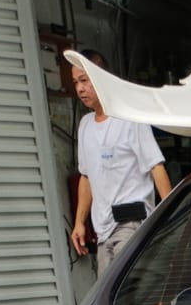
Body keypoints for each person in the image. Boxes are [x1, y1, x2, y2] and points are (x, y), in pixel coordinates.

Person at [69, 50, 172, 276]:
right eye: (76, 82)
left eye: (84, 80)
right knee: (108, 292)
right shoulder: (85, 125)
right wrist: (79, 223)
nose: (79, 89)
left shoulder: (129, 118)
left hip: (131, 223)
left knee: (126, 288)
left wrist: (170, 215)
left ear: (101, 78)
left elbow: (156, 167)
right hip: (102, 229)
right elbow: (86, 177)